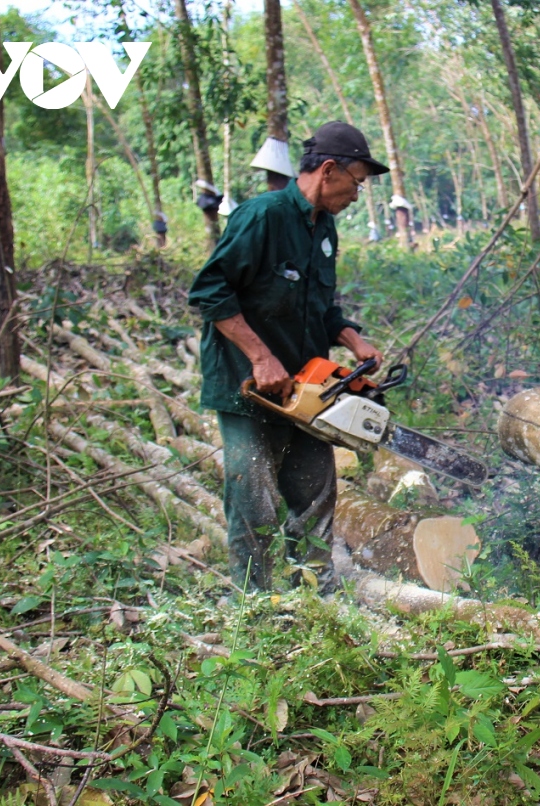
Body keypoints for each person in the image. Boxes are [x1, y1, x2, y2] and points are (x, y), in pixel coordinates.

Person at [188, 121, 386, 591]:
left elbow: (319, 306)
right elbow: (209, 292)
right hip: (247, 386)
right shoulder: (263, 216)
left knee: (316, 490)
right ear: (329, 170)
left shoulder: (325, 229)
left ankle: (317, 597)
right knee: (254, 498)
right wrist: (260, 357)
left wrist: (352, 339)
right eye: (356, 182)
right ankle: (253, 607)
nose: (358, 194)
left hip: (306, 388)